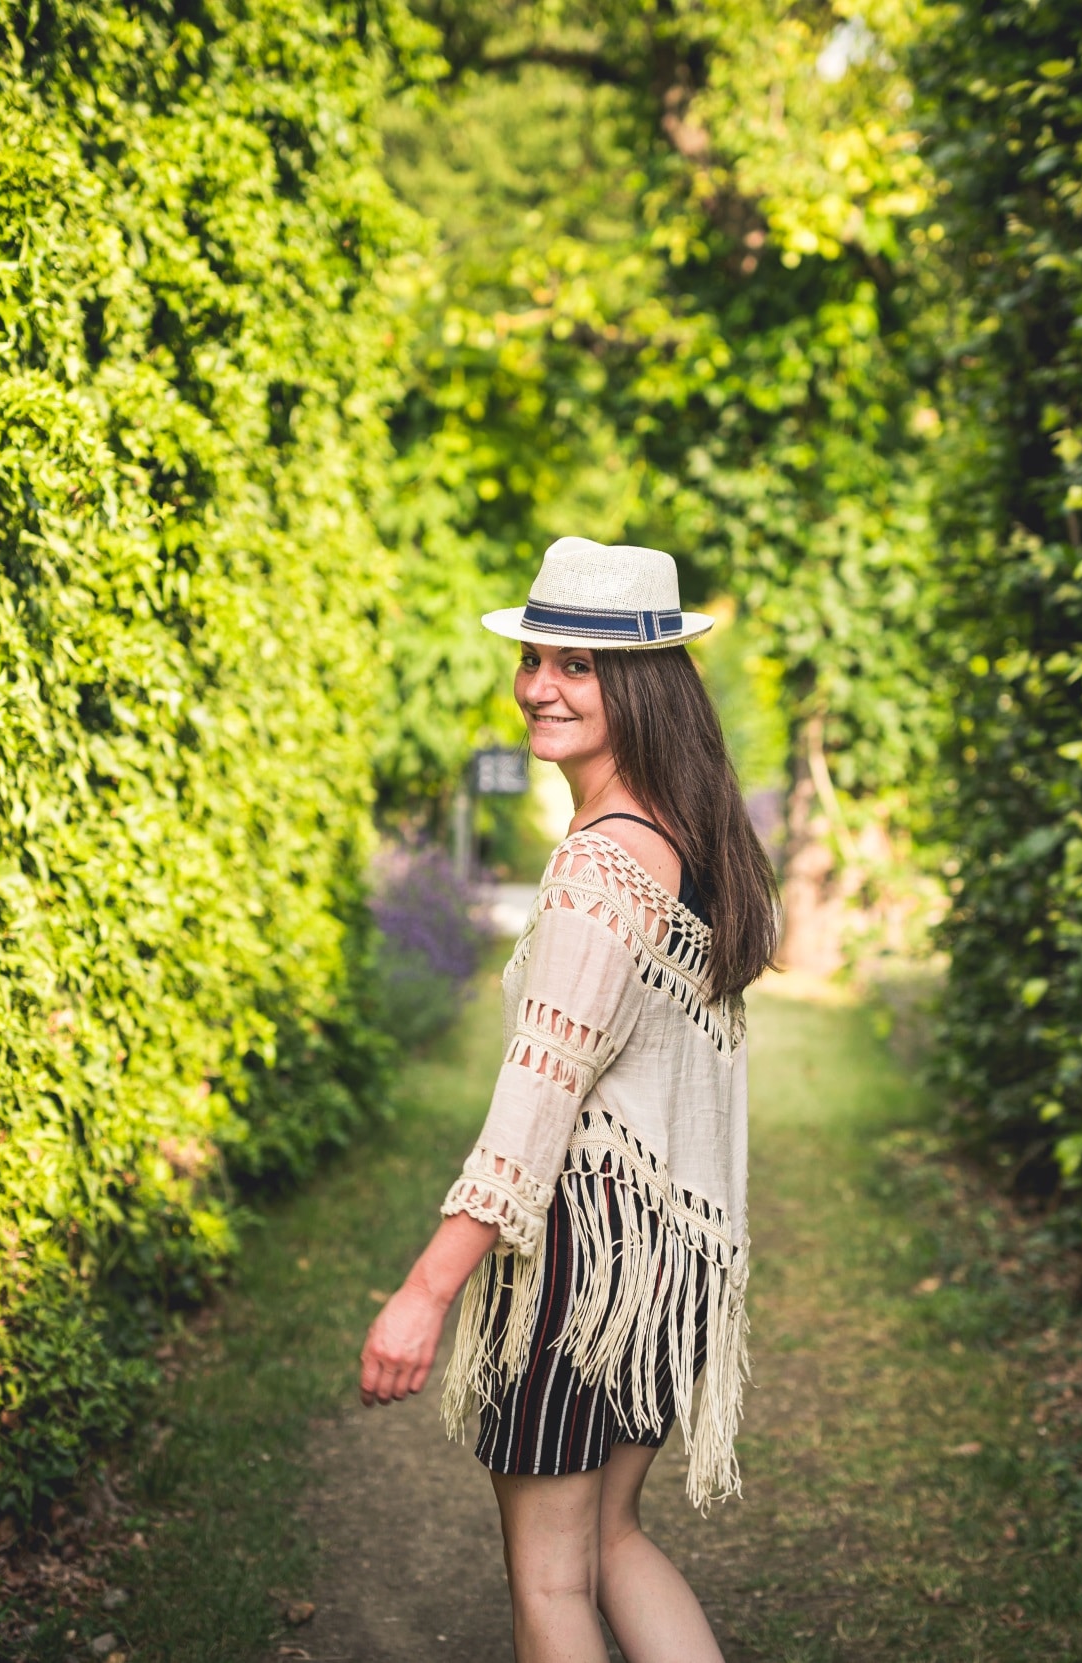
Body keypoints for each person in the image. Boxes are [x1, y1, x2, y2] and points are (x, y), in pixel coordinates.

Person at [357, 537, 779, 1663]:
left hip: (588, 1266)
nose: (540, 686)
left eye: (577, 666)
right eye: (535, 658)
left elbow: (534, 1103)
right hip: (673, 1261)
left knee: (549, 1577)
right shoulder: (692, 847)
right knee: (607, 1542)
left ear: (638, 684)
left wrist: (421, 1292)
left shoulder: (601, 868)